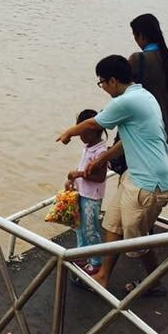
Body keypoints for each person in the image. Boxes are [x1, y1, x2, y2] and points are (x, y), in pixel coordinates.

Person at [56, 55, 168, 295]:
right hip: (135, 176)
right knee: (112, 223)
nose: (103, 88)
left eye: (102, 83)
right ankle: (102, 275)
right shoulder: (144, 96)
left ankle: (155, 282)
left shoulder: (125, 102)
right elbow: (129, 140)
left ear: (112, 81)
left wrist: (69, 132)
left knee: (136, 239)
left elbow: (92, 124)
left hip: (149, 183)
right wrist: (101, 158)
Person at [128, 14, 168, 155]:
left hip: (144, 133)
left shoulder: (138, 59)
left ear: (142, 36)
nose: (136, 41)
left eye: (135, 36)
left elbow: (123, 92)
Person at [65, 109, 108, 275]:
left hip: (92, 197)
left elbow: (100, 177)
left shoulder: (101, 152)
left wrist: (79, 174)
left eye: (82, 131)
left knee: (91, 230)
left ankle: (96, 262)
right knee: (79, 227)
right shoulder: (88, 147)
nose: (79, 135)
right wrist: (72, 181)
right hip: (81, 192)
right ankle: (82, 254)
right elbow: (82, 167)